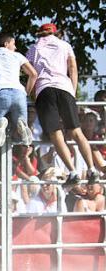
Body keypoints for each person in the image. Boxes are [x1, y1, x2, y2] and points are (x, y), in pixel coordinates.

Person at [26, 22, 99, 186]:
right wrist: (72, 92)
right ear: (56, 33)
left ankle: (73, 172)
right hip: (65, 88)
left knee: (55, 134)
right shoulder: (65, 45)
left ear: (40, 34)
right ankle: (92, 169)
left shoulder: (33, 48)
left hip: (44, 90)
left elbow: (30, 72)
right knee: (76, 132)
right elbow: (73, 68)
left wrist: (31, 94)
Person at [0, 33, 37, 147]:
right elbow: (33, 74)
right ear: (6, 44)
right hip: (19, 94)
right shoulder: (18, 56)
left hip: (0, 93)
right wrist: (26, 93)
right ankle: (21, 126)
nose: (15, 47)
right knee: (19, 138)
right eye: (14, 44)